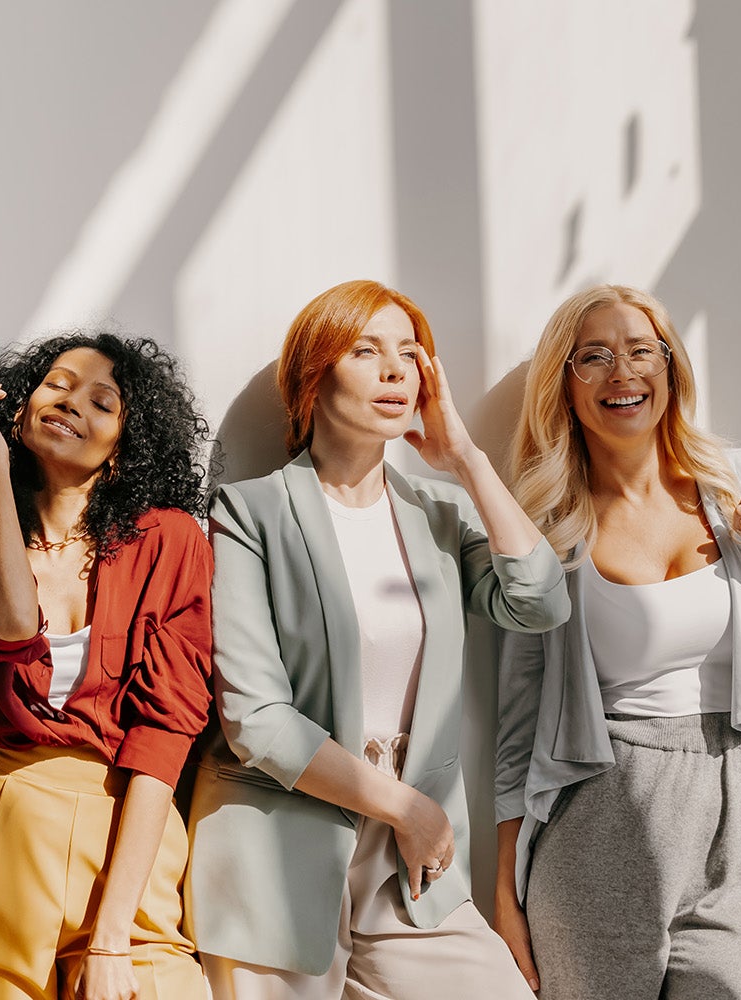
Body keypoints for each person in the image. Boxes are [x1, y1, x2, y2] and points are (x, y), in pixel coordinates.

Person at [189, 280, 567, 999]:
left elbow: (540, 601)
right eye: (365, 351)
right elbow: (256, 721)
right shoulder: (252, 511)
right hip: (281, 841)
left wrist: (465, 460)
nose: (397, 371)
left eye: (408, 353)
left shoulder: (442, 515)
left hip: (410, 868)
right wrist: (404, 807)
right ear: (313, 374)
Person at [491, 285, 741, 999]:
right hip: (603, 811)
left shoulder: (740, 482)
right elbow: (516, 726)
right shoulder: (545, 523)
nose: (622, 373)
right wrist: (506, 894)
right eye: (592, 357)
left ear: (671, 368)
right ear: (564, 387)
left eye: (640, 351)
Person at [0, 331, 219, 1000]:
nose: (71, 402)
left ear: (124, 448)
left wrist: (113, 933)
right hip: (6, 829)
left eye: (102, 401)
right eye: (55, 385)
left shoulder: (170, 541)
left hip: (130, 834)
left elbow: (167, 731)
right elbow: (6, 624)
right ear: (18, 413)